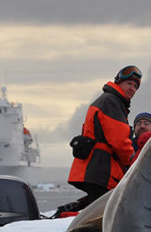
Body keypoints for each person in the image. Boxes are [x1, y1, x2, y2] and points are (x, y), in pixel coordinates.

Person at [58, 65, 142, 217]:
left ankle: (66, 217)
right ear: (119, 82)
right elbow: (120, 141)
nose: (132, 89)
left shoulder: (107, 101)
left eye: (136, 86)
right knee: (103, 217)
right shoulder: (111, 101)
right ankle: (65, 219)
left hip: (94, 170)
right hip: (101, 171)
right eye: (129, 83)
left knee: (96, 212)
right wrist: (134, 162)